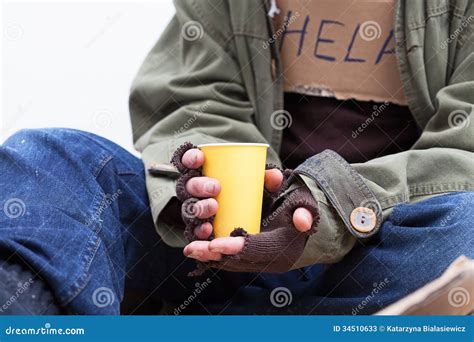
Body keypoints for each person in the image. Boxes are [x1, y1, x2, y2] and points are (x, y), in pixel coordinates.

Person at [0, 0, 472, 315]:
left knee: (466, 225)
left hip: (375, 260)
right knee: (46, 159)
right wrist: (199, 182)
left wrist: (328, 209)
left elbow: (464, 145)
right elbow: (191, 95)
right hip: (218, 259)